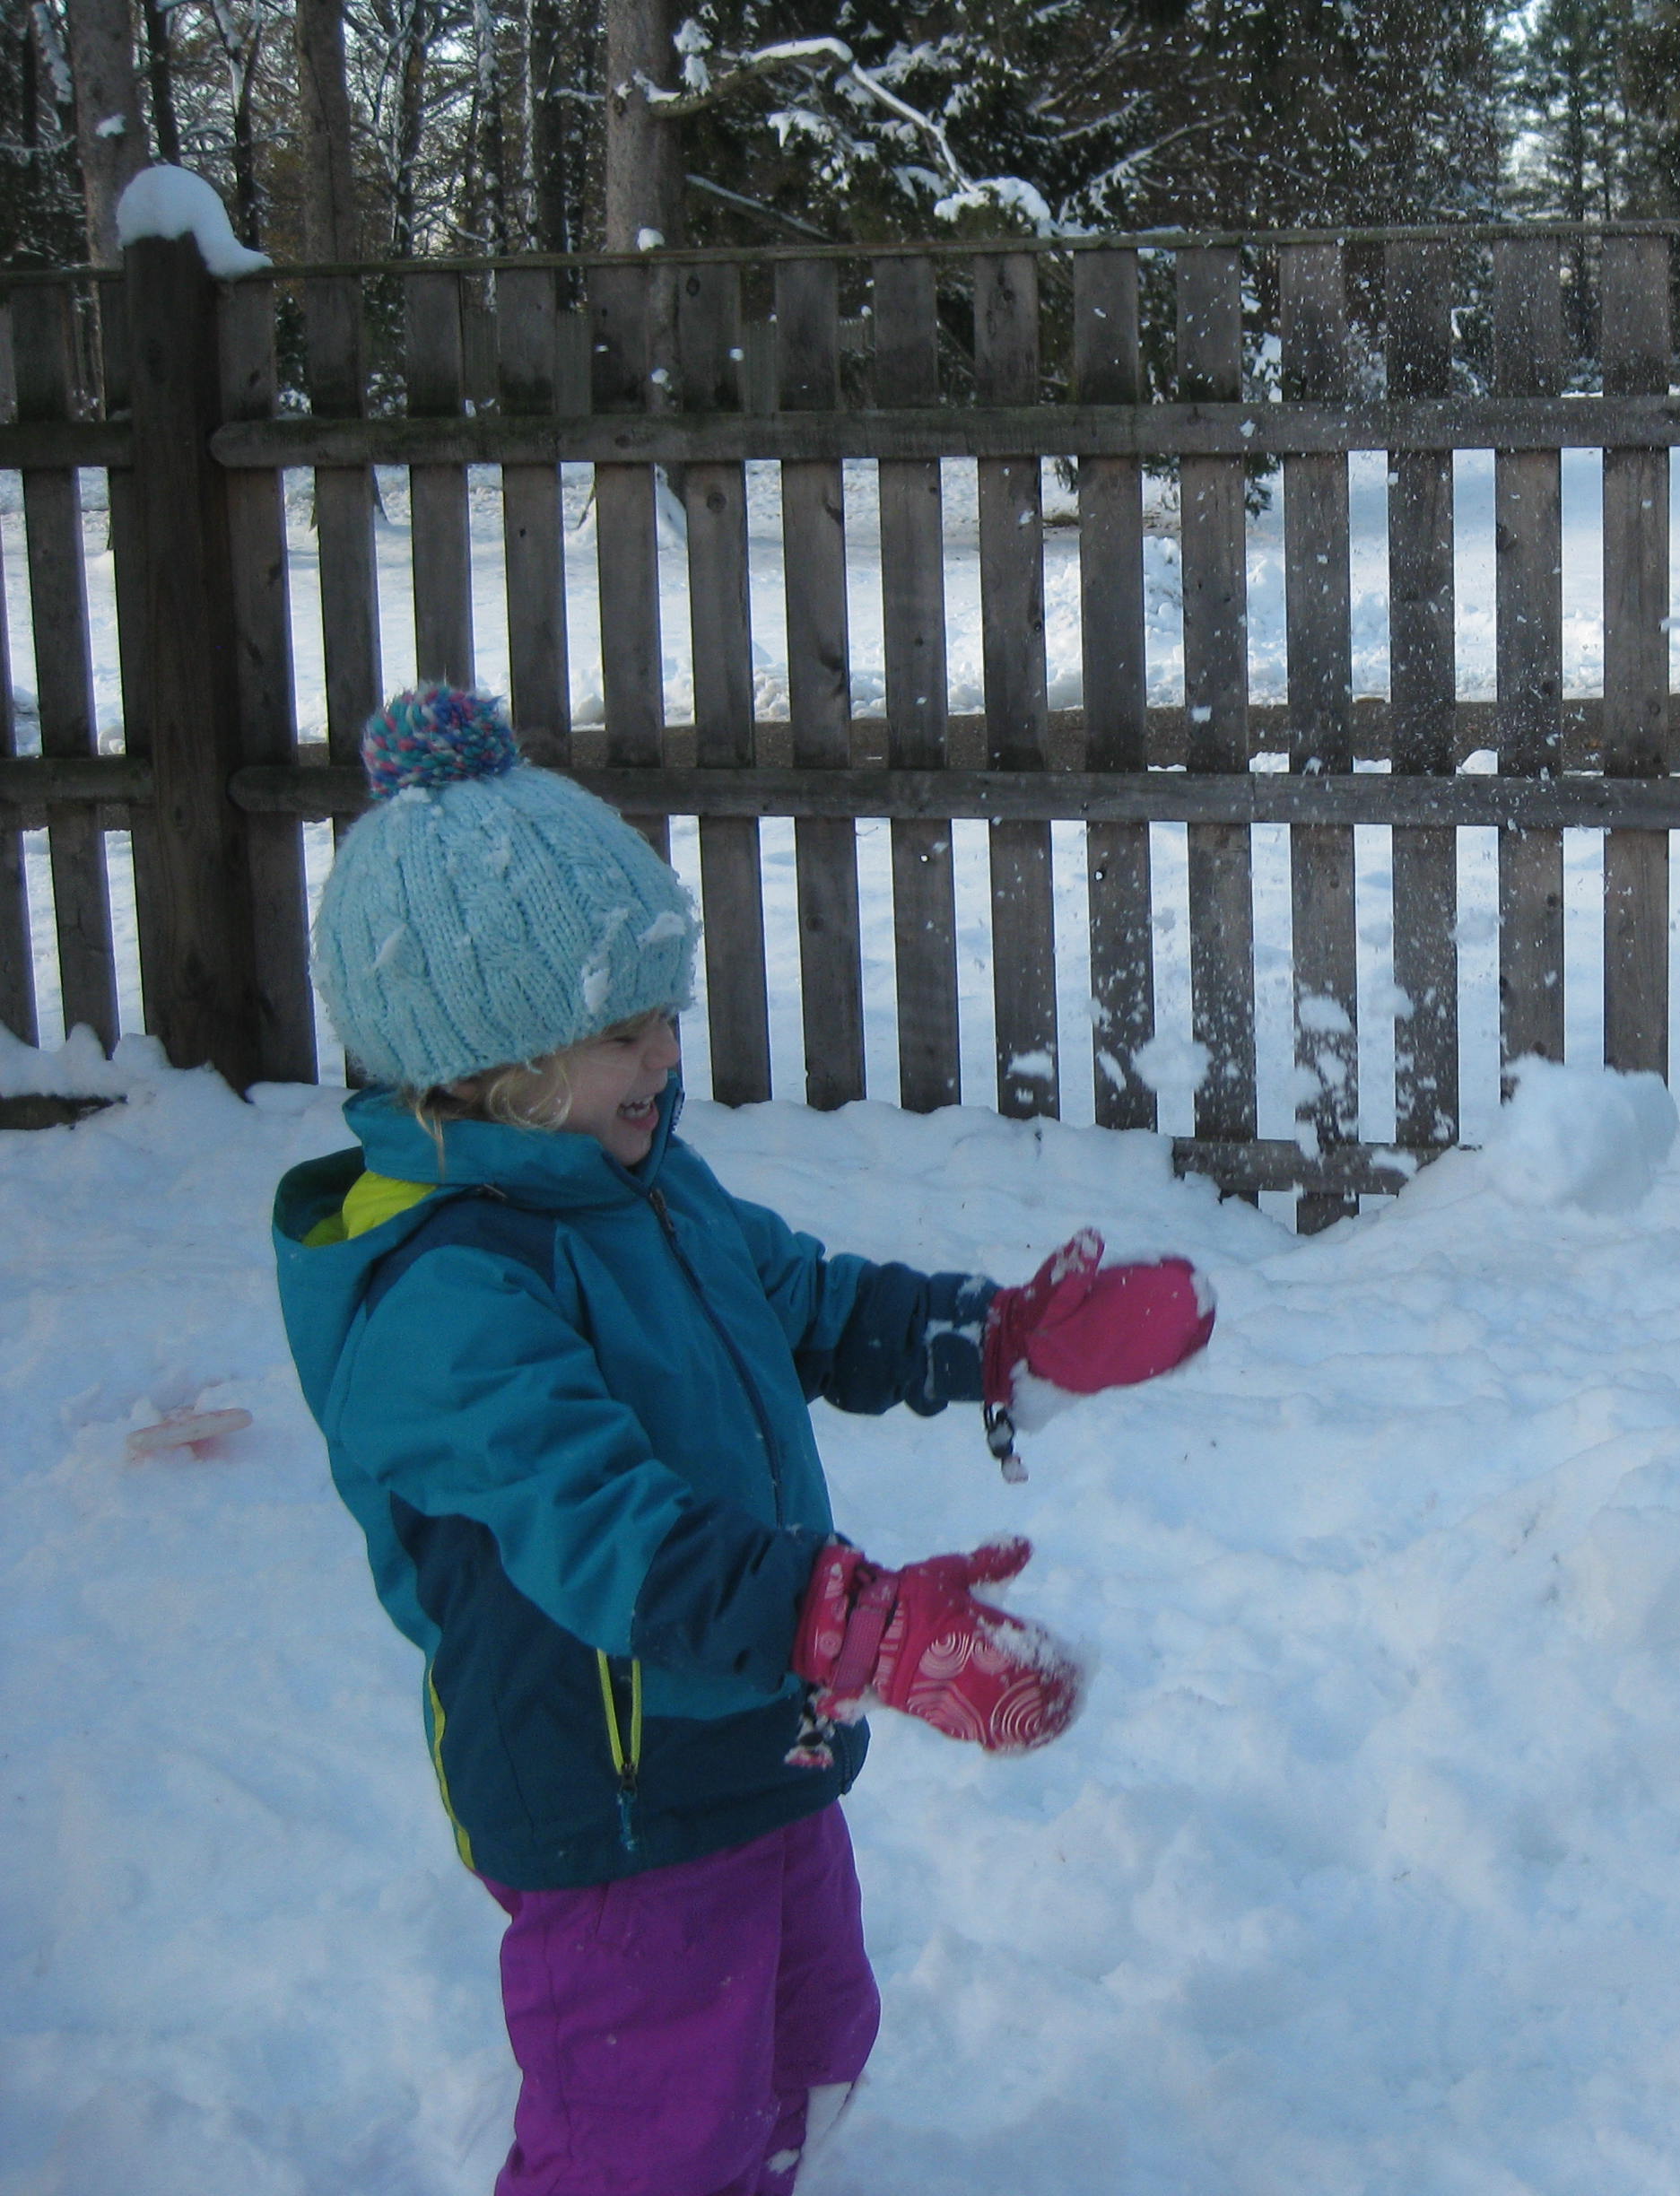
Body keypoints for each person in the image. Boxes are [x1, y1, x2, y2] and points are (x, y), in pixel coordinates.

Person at [272, 684, 1217, 2196]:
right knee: (646, 2141)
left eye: (664, 1012)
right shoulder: (446, 1300)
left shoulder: (645, 1186)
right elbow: (613, 1532)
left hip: (762, 1725)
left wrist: (995, 1339)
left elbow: (806, 1303)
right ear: (489, 1058)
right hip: (612, 1794)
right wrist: (855, 1626)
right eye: (621, 1027)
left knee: (809, 2045)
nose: (664, 1053)